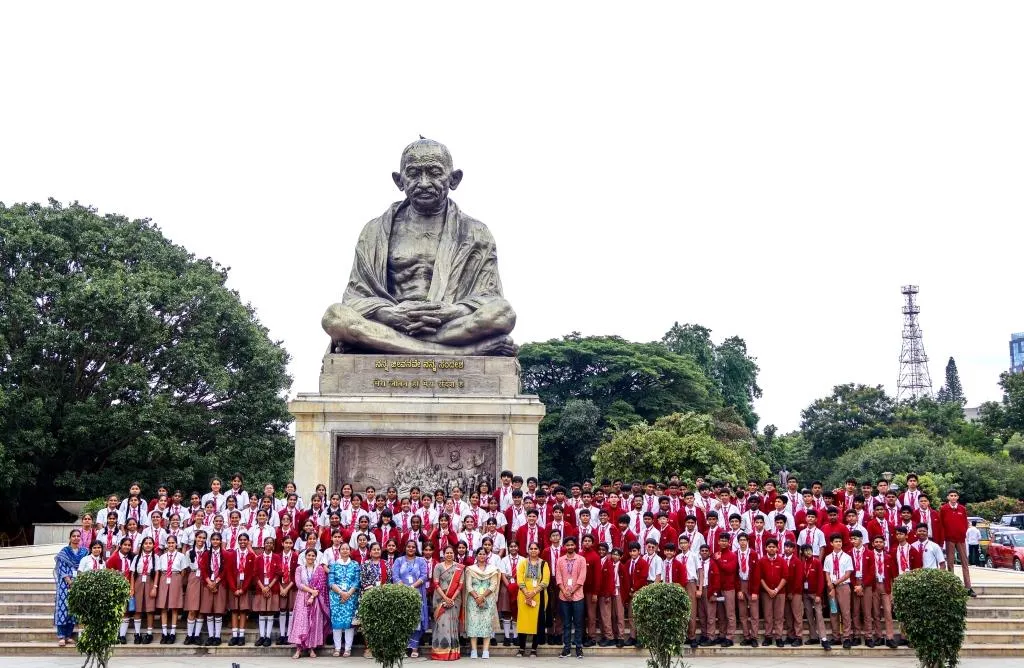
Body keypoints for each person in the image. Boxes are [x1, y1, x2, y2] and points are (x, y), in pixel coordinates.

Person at [393, 540, 430, 657]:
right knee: (403, 621)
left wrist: (412, 587)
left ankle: (414, 648)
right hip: (401, 594)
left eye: (413, 547)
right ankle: (402, 648)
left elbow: (424, 576)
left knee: (416, 620)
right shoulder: (398, 561)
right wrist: (405, 588)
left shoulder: (421, 561)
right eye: (408, 546)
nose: (411, 549)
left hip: (417, 594)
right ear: (405, 548)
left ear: (416, 548)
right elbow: (395, 576)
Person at [291, 548, 329, 659]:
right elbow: (298, 584)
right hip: (302, 598)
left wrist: (312, 596)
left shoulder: (319, 569)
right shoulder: (299, 569)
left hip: (315, 599)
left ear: (316, 557)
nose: (311, 557)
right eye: (309, 555)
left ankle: (312, 648)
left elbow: (321, 585)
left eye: (313, 555)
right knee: (301, 623)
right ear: (305, 556)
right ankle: (299, 649)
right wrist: (311, 591)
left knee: (314, 622)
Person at [465, 547, 501, 659]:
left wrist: (482, 597)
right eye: (479, 554)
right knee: (473, 624)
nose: (482, 556)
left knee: (487, 624)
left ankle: (486, 650)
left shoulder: (492, 569)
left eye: (484, 554)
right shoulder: (470, 569)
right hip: (473, 600)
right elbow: (468, 585)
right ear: (476, 556)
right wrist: (477, 597)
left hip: (488, 599)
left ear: (487, 556)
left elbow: (493, 585)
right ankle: (474, 650)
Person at [555, 535, 587, 658]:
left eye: (572, 544)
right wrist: (564, 592)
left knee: (578, 623)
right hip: (563, 597)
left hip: (578, 596)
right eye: (567, 545)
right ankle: (567, 648)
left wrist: (571, 592)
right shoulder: (560, 560)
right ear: (564, 546)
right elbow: (558, 577)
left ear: (575, 546)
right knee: (566, 624)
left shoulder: (581, 559)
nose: (570, 547)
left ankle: (579, 648)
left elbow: (581, 578)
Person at [54, 529, 88, 647]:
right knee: (63, 608)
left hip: (78, 582)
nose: (76, 538)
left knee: (73, 609)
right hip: (65, 584)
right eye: (74, 536)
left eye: (78, 536)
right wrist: (69, 581)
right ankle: (61, 636)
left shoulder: (84, 552)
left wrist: (77, 581)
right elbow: (61, 568)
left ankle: (68, 636)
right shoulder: (64, 552)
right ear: (70, 538)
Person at [432, 544, 465, 661]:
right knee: (442, 624)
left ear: (454, 554)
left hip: (455, 600)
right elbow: (436, 584)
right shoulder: (438, 566)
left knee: (452, 625)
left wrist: (451, 599)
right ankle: (440, 652)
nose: (449, 555)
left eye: (451, 553)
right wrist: (445, 598)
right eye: (447, 553)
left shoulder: (459, 568)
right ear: (443, 554)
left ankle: (453, 653)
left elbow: (460, 585)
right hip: (440, 598)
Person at [940, 490, 976, 596]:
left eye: (955, 495)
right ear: (948, 497)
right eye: (951, 495)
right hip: (949, 539)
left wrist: (963, 533)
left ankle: (968, 587)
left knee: (965, 563)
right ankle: (951, 587)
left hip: (961, 540)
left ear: (958, 497)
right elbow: (941, 524)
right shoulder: (944, 509)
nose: (953, 497)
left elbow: (965, 523)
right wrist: (944, 537)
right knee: (950, 564)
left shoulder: (962, 509)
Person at [328, 542, 361, 657]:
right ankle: (337, 648)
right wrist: (342, 593)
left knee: (349, 624)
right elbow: (331, 582)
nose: (345, 550)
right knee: (336, 623)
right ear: (339, 551)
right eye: (343, 549)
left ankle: (347, 648)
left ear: (350, 551)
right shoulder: (334, 565)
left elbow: (357, 581)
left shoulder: (355, 565)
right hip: (336, 597)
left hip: (351, 597)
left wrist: (348, 594)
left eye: (347, 549)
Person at [822, 534, 853, 650]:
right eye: (836, 541)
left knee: (845, 612)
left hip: (843, 586)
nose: (838, 543)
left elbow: (847, 574)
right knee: (834, 611)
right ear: (831, 543)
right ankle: (836, 637)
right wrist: (830, 584)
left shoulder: (847, 557)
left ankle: (847, 637)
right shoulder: (828, 557)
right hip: (831, 587)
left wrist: (835, 583)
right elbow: (827, 573)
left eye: (840, 541)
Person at [155, 534, 188, 643]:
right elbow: (159, 571)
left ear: (176, 544)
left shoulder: (181, 556)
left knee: (174, 607)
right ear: (166, 544)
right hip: (164, 577)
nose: (171, 545)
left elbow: (183, 571)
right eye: (169, 543)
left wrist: (177, 580)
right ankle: (164, 633)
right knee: (163, 607)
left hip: (175, 577)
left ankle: (173, 633)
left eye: (173, 543)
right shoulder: (162, 557)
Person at [252, 536, 281, 647]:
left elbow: (278, 574)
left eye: (271, 543)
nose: (269, 544)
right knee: (262, 611)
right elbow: (255, 575)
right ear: (264, 544)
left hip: (272, 587)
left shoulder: (276, 557)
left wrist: (268, 586)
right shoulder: (258, 558)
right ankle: (262, 636)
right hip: (261, 588)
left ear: (273, 545)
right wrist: (263, 587)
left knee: (270, 611)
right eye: (267, 543)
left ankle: (268, 637)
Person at [131, 536, 159, 644]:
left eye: (150, 543)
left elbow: (157, 573)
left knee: (150, 609)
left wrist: (155, 587)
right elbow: (133, 573)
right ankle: (137, 634)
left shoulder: (155, 557)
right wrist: (132, 588)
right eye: (146, 543)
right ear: (142, 545)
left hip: (149, 581)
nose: (148, 545)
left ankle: (149, 633)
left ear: (153, 545)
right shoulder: (137, 557)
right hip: (138, 581)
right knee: (137, 609)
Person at [183, 530, 207, 645]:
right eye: (199, 537)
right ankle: (189, 635)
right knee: (192, 608)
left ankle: (197, 635)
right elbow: (187, 568)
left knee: (201, 608)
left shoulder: (207, 552)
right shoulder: (189, 552)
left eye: (203, 538)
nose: (201, 540)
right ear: (195, 538)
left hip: (205, 577)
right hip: (193, 576)